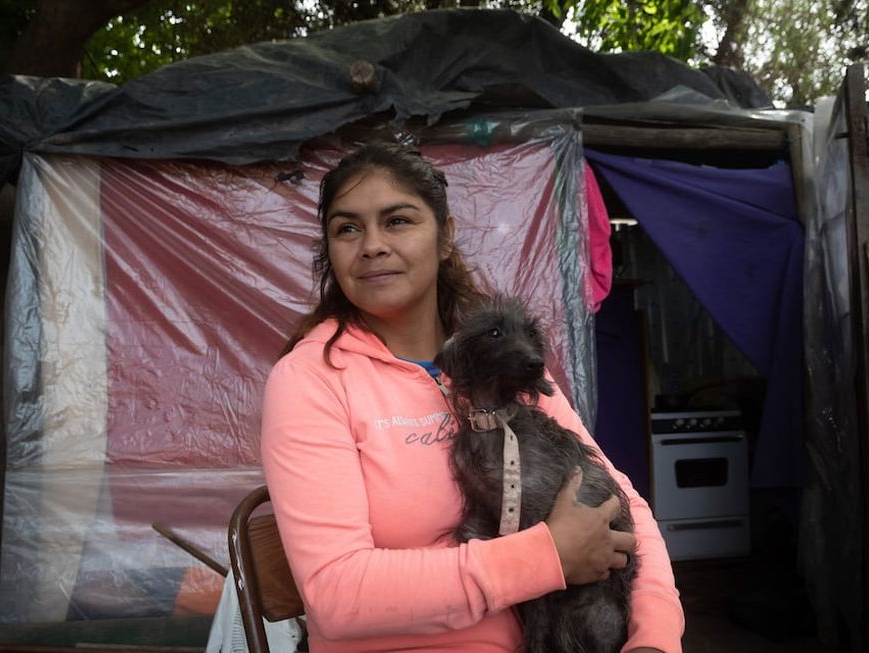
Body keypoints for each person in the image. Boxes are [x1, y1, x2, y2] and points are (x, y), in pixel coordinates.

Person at [260, 142, 684, 652]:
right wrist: (546, 557)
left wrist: (652, 641)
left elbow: (622, 505)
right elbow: (336, 593)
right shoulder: (312, 379)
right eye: (347, 228)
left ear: (445, 238)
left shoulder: (498, 357)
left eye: (397, 221)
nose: (371, 244)